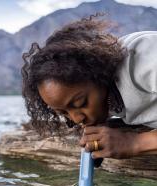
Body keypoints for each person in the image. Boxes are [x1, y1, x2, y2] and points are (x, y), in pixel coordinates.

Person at [21, 15, 157, 162]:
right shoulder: (106, 96)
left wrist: (135, 142)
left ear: (98, 74)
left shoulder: (145, 58)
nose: (77, 118)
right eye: (64, 113)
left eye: (80, 103)